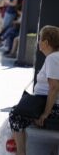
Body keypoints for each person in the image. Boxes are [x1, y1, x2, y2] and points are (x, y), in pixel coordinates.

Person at [9, 25, 59, 155]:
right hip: (44, 101)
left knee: (15, 114)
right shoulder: (54, 57)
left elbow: (54, 87)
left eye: (39, 38)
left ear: (46, 43)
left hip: (51, 105)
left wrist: (45, 113)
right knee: (19, 111)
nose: (38, 42)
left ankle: (21, 153)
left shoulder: (53, 58)